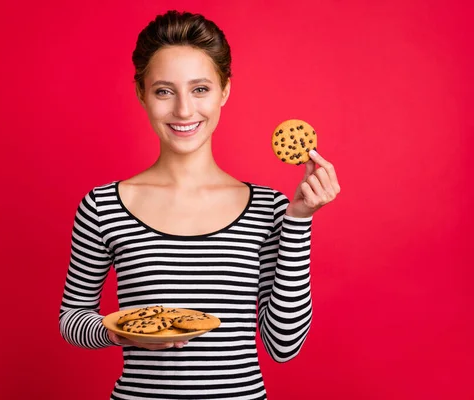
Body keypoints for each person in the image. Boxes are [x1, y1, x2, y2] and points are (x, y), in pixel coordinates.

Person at [59, 10, 340, 400]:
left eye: (200, 89)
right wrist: (118, 332)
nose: (184, 111)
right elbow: (72, 318)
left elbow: (283, 346)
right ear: (141, 93)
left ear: (224, 91)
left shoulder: (270, 209)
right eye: (164, 91)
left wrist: (299, 222)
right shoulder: (103, 206)